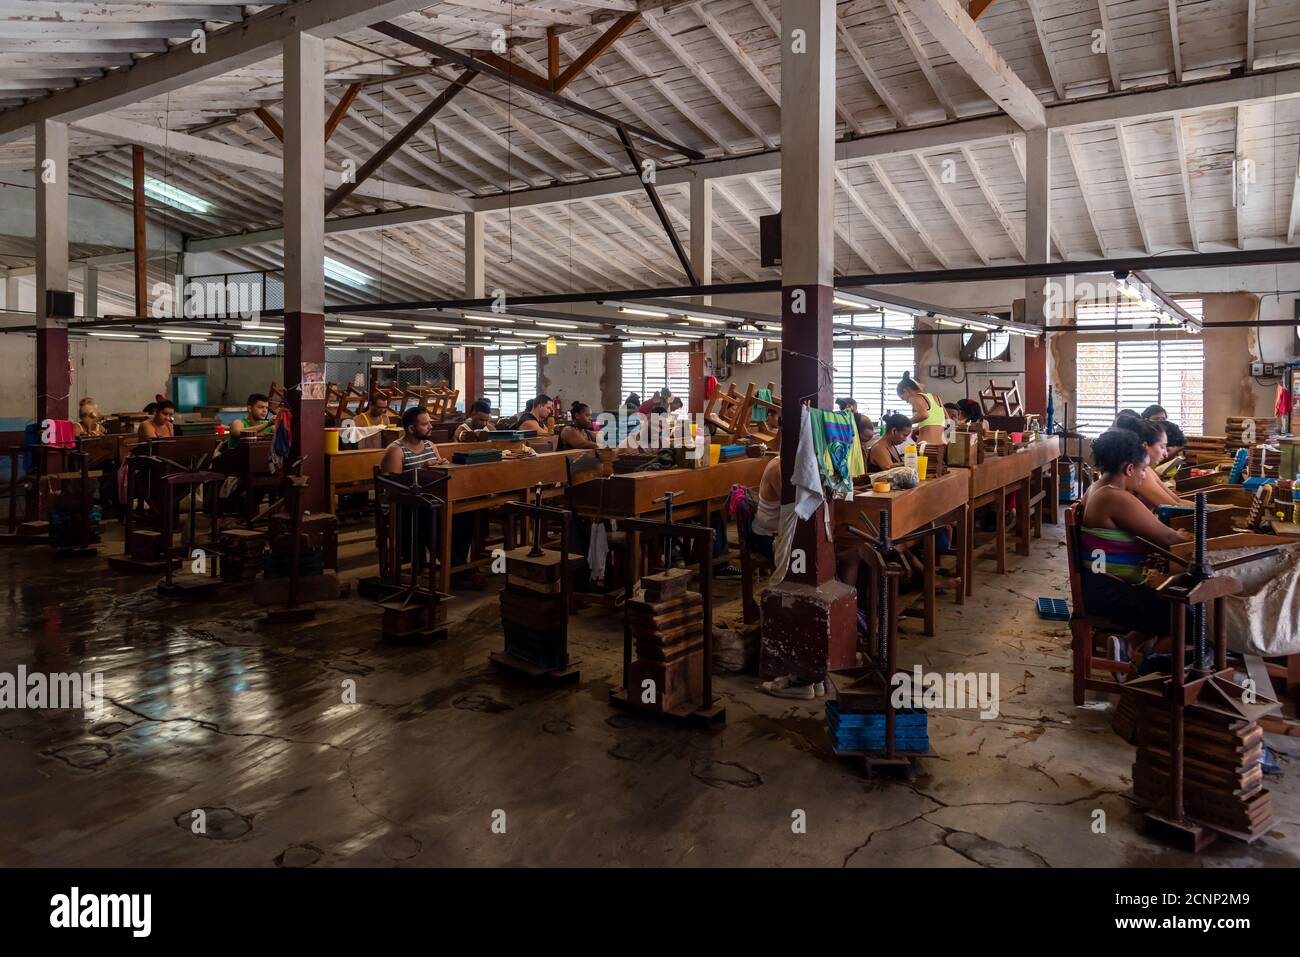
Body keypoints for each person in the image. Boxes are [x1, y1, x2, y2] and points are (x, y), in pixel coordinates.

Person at [1079, 429, 1188, 659]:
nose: (1144, 476)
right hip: (1110, 592)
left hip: (1099, 585)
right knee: (1191, 617)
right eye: (1143, 469)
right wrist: (1189, 535)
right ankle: (1146, 672)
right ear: (1129, 469)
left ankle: (1127, 645)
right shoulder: (1115, 497)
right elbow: (1169, 539)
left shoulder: (1097, 488)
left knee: (1178, 598)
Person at [382, 407, 484, 590]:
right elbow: (393, 489)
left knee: (466, 514)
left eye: (429, 422)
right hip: (405, 508)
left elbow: (439, 474)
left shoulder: (430, 445)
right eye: (425, 424)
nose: (430, 426)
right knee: (431, 517)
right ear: (411, 428)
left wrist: (441, 465)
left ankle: (457, 567)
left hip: (433, 501)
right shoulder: (396, 450)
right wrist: (422, 469)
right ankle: (458, 570)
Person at [1113, 415, 1185, 508]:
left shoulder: (1146, 469)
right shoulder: (1139, 473)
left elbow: (1177, 500)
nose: (1166, 454)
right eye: (1162, 447)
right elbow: (1173, 507)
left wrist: (1205, 508)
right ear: (1145, 446)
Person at [896, 373, 945, 448]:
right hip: (942, 445)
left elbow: (924, 415)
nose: (907, 401)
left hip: (926, 446)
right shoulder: (936, 397)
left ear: (906, 390)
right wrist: (919, 427)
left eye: (904, 399)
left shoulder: (914, 398)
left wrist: (905, 423)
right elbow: (947, 420)